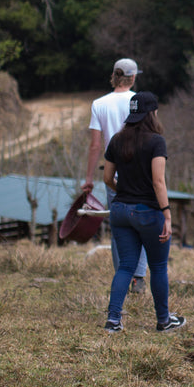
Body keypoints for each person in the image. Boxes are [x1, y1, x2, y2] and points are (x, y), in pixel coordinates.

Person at [97, 91, 184, 333]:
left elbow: (106, 177)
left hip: (120, 210)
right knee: (157, 266)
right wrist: (167, 214)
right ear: (152, 113)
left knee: (125, 266)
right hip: (148, 212)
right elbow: (158, 182)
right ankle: (164, 320)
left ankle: (113, 320)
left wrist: (122, 190)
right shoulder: (156, 141)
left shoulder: (117, 139)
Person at [83, 58, 147, 289]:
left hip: (113, 174)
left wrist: (89, 179)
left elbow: (95, 146)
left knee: (119, 226)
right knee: (141, 224)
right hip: (141, 174)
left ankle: (122, 276)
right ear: (133, 78)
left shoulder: (99, 104)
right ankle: (138, 278)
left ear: (114, 76)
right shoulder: (140, 101)